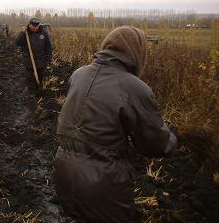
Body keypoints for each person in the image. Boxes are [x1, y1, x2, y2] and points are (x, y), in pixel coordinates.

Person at [54, 26, 178, 223]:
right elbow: (155, 144)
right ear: (137, 54)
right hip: (103, 185)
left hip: (63, 174)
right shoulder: (135, 87)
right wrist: (172, 137)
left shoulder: (79, 74)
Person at [15, 17, 52, 96]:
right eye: (33, 26)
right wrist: (22, 33)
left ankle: (39, 92)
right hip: (29, 60)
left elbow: (48, 46)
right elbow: (17, 42)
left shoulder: (43, 33)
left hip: (41, 61)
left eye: (37, 26)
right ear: (30, 25)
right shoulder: (25, 33)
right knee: (29, 78)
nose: (35, 28)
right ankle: (31, 95)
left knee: (40, 77)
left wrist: (48, 58)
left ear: (39, 25)